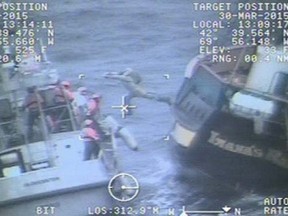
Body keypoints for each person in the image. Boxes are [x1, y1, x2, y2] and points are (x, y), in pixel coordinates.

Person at [103, 68, 172, 109]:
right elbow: (117, 73)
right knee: (126, 98)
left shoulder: (126, 78)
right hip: (133, 91)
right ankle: (128, 111)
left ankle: (166, 99)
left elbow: (116, 76)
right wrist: (109, 73)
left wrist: (107, 76)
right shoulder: (125, 76)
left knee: (151, 97)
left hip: (138, 91)